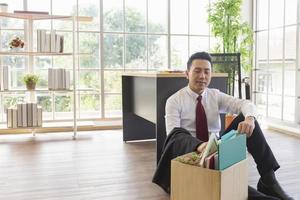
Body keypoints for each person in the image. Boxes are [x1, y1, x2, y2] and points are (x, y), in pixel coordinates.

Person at [152, 52, 294, 200]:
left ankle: (268, 179)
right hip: (193, 156)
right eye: (197, 71)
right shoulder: (174, 101)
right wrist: (199, 146)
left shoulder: (214, 95)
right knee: (239, 190)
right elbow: (173, 136)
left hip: (217, 151)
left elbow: (245, 104)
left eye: (207, 72)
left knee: (249, 121)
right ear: (187, 74)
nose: (202, 76)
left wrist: (250, 118)